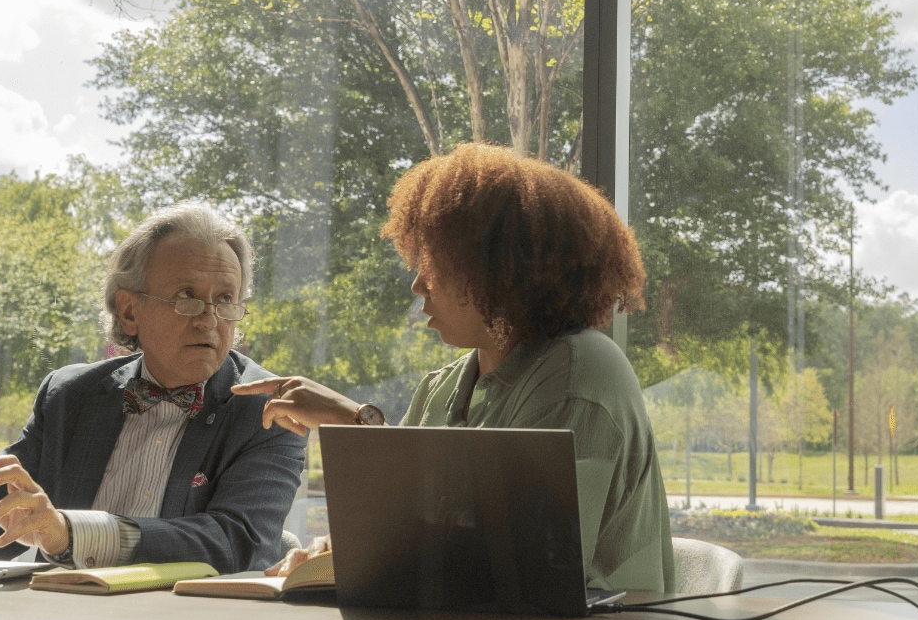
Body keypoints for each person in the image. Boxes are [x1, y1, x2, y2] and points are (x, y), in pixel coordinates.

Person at [238, 143, 676, 593]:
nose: (418, 283)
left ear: (503, 269)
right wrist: (325, 553)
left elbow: (516, 564)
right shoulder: (444, 386)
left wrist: (354, 422)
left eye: (437, 262)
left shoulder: (577, 374)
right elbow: (404, 527)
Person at [0, 206, 304, 573]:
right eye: (186, 295)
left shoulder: (268, 410)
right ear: (129, 311)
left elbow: (234, 542)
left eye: (225, 299)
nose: (208, 319)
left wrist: (72, 534)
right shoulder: (69, 395)